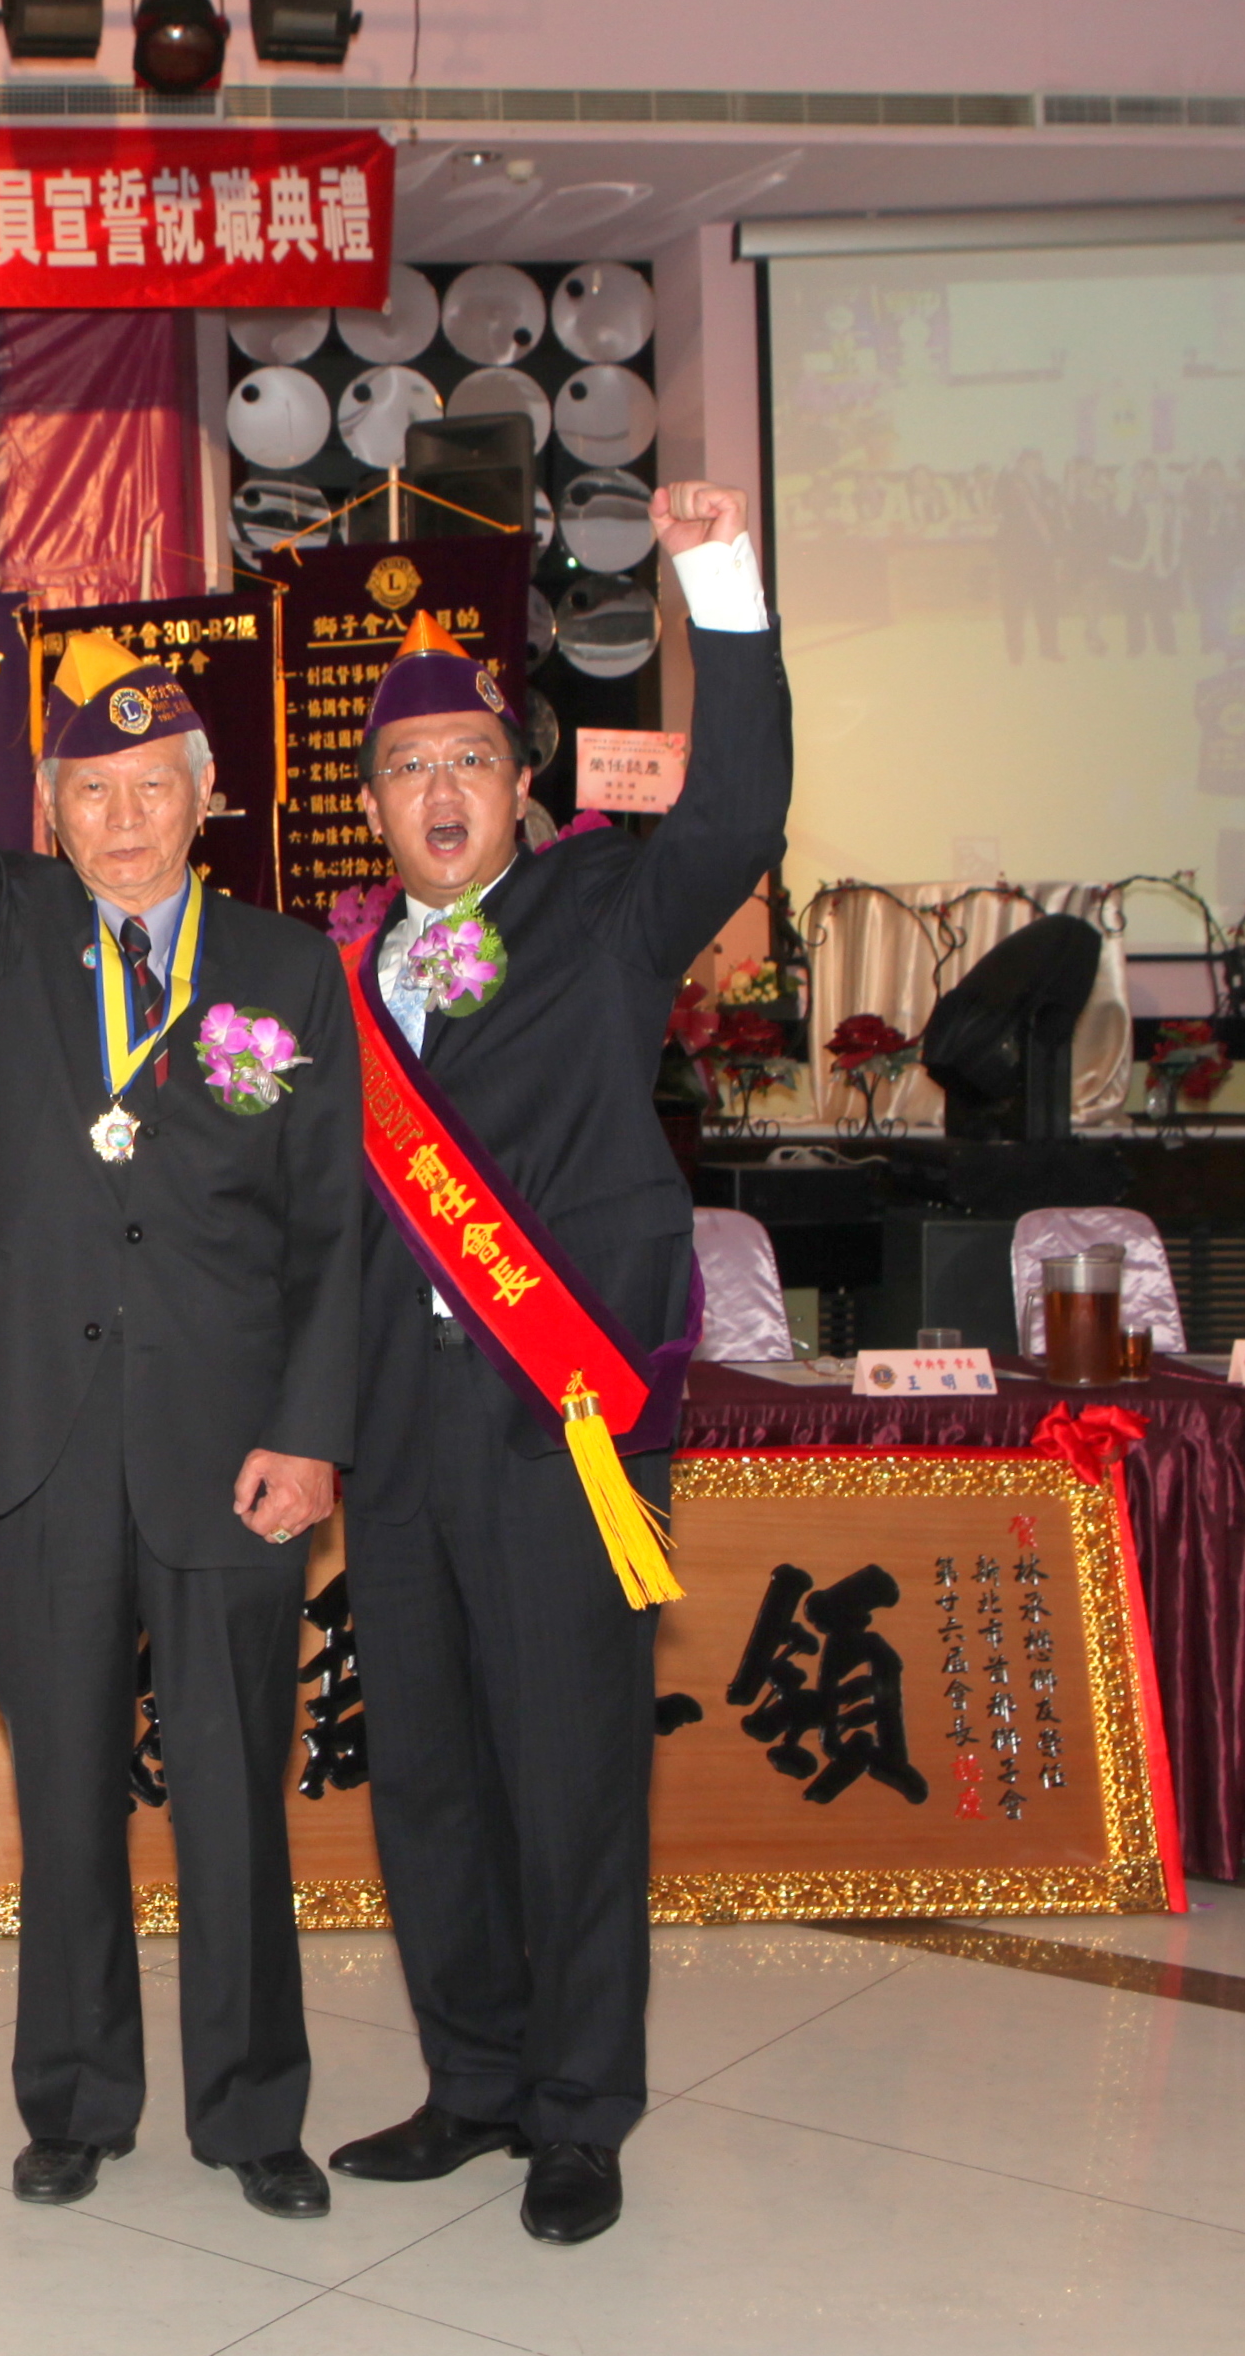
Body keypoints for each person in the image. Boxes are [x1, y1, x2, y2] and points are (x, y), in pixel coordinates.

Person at [0, 529, 360, 2223]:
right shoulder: (8, 930)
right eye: (90, 792)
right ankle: (72, 2100)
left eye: (151, 787)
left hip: (233, 1448)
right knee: (64, 1789)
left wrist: (312, 1434)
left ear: (205, 798)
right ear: (53, 815)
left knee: (232, 1795)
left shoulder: (284, 970)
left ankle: (253, 2112)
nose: (121, 818)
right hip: (41, 1443)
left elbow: (333, 1225)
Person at [323, 480, 790, 2248]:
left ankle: (581, 2113)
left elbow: (737, 804)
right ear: (373, 807)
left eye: (469, 761)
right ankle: (474, 2083)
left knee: (576, 1774)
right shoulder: (339, 971)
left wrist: (717, 584)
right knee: (430, 1773)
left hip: (568, 1418)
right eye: (407, 770)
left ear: (523, 782)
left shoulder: (605, 911)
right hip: (401, 1432)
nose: (441, 792)